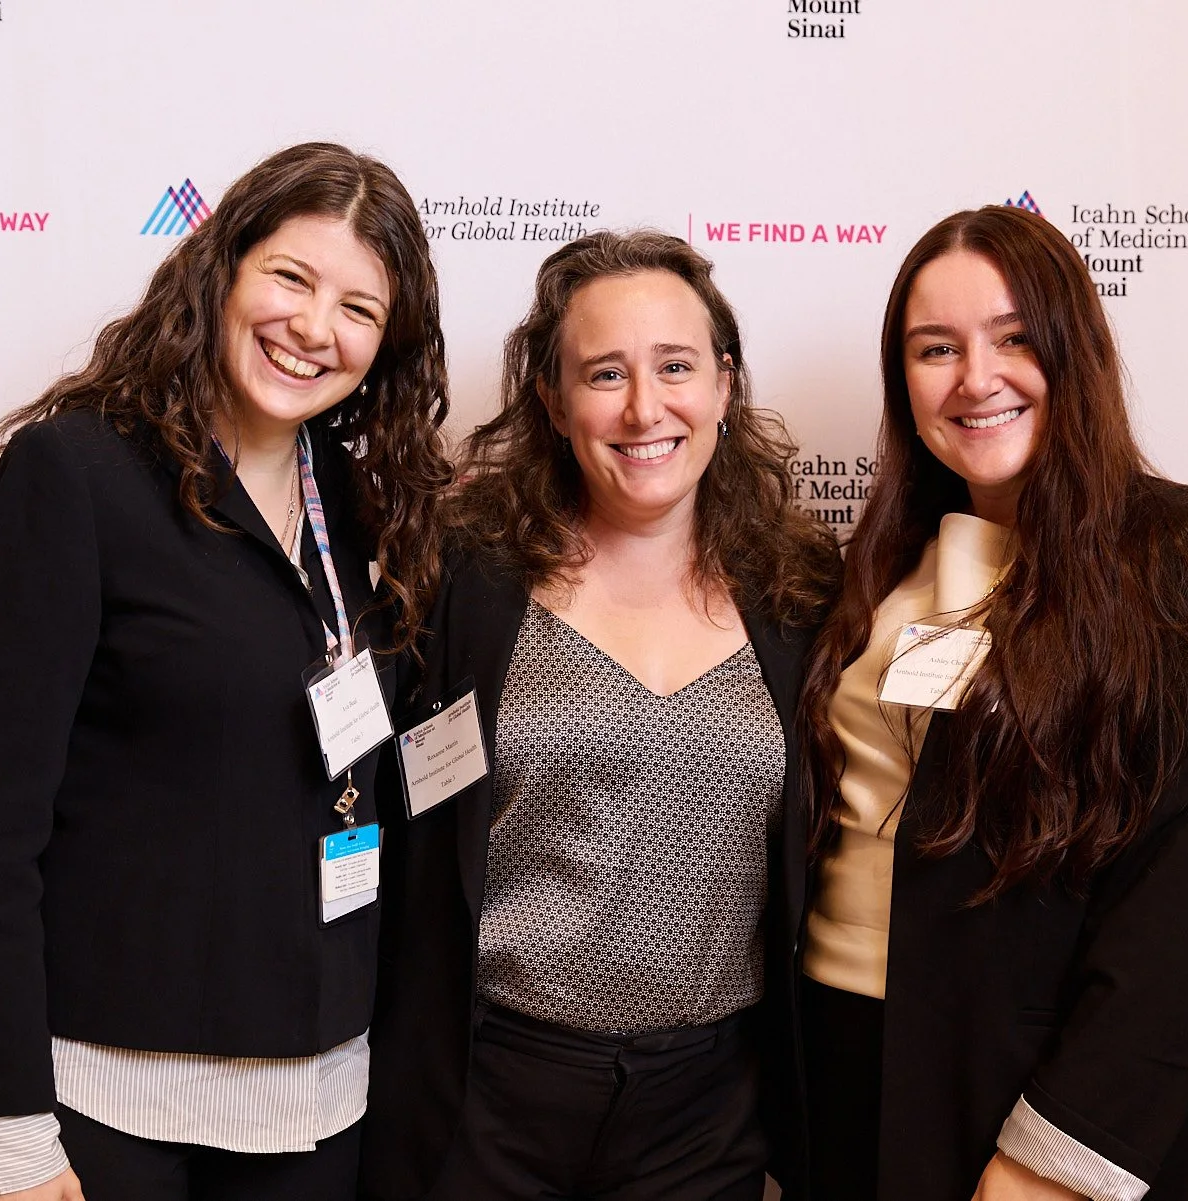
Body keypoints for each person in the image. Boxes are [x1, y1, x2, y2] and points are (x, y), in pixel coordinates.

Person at [0, 142, 451, 1201]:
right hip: (110, 1107)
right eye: (292, 279)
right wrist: (5, 1130)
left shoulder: (367, 506)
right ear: (222, 267)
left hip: (322, 1103)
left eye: (358, 306)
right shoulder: (77, 473)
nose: (314, 327)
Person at [792, 206, 1188, 1201]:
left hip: (1028, 1113)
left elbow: (1176, 934)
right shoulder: (881, 571)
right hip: (844, 1086)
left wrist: (1046, 1167)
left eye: (1014, 338)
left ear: (1076, 350)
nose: (977, 378)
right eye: (937, 349)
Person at [357, 230, 840, 1201]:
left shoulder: (803, 599)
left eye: (675, 367)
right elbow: (386, 820)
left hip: (705, 1113)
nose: (643, 407)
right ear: (551, 397)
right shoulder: (464, 581)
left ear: (725, 385)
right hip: (485, 1092)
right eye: (604, 373)